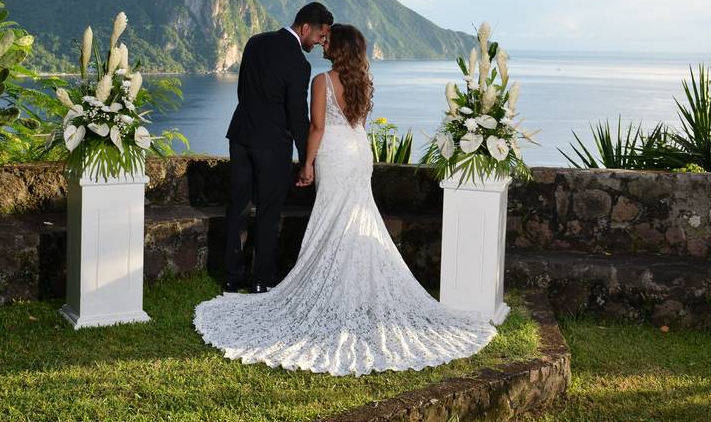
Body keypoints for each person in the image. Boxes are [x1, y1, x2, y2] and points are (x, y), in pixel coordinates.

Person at [196, 23, 496, 376]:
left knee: (332, 216)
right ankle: (358, 293)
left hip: (334, 154)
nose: (323, 43)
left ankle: (335, 289)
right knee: (357, 215)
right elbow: (360, 123)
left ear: (336, 47)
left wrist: (306, 163)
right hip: (359, 152)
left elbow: (318, 127)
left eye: (328, 39)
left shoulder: (321, 81)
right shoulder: (363, 81)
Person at [223, 2, 333, 294]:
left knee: (238, 206)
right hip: (272, 145)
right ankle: (262, 279)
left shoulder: (255, 42)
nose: (321, 43)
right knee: (268, 213)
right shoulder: (299, 63)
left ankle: (231, 277)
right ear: (306, 27)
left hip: (241, 135)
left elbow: (242, 91)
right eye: (320, 37)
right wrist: (306, 160)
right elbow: (298, 116)